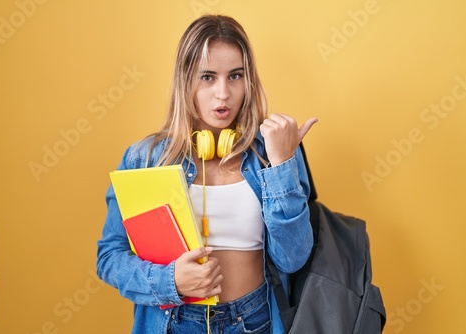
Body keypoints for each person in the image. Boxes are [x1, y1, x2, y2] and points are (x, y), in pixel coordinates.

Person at [97, 14, 317, 334]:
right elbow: (109, 257)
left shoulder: (274, 151)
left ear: (248, 80)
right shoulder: (144, 158)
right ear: (186, 80)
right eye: (208, 77)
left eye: (235, 76)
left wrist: (283, 164)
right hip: (173, 323)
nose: (223, 94)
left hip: (254, 320)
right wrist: (169, 280)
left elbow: (292, 259)